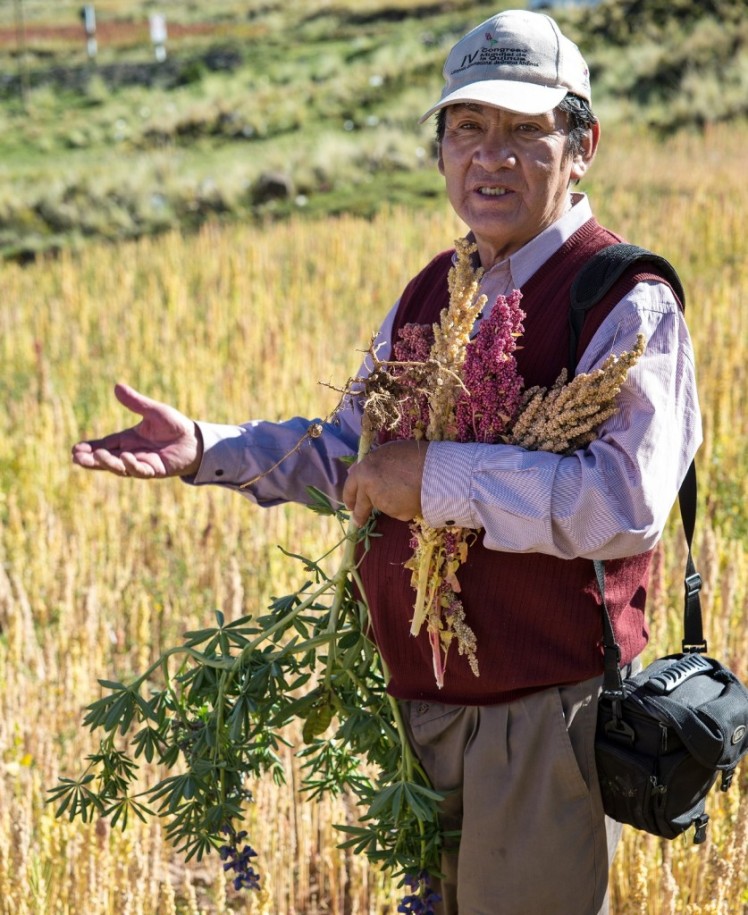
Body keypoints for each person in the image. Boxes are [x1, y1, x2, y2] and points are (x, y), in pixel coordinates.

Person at [71, 9, 701, 914]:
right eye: (467, 128)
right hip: (420, 719)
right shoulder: (431, 294)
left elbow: (624, 503)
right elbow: (350, 459)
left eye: (527, 131)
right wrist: (206, 447)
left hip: (540, 721)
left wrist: (437, 477)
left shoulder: (624, 300)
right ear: (440, 150)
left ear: (583, 143)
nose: (491, 155)